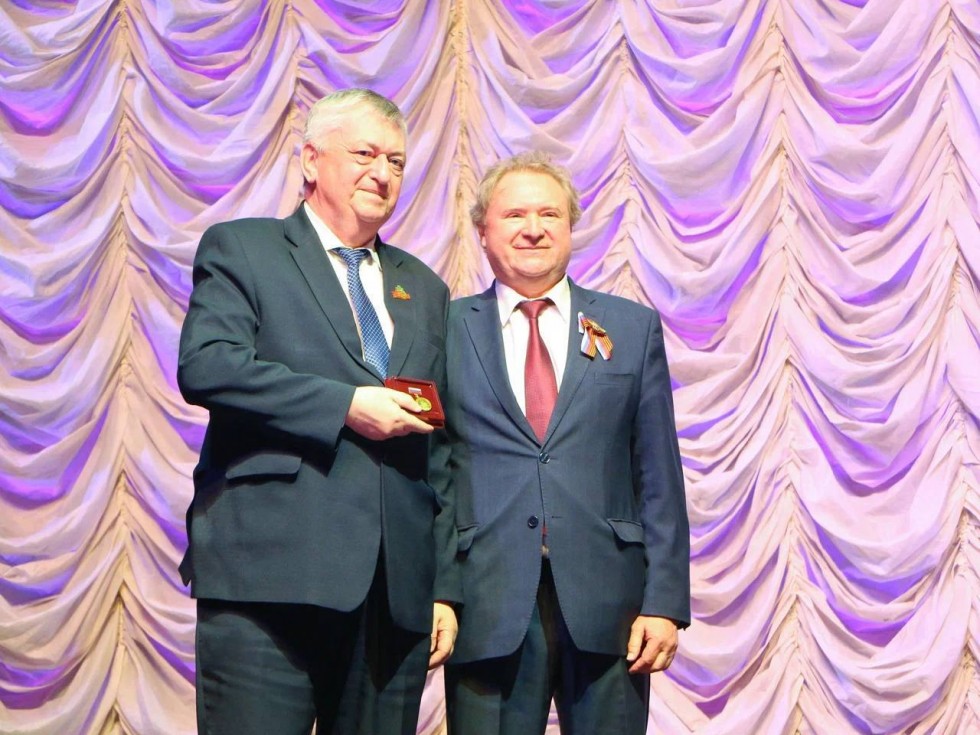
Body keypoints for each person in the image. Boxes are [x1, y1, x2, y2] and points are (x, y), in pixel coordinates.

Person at [177, 88, 459, 735]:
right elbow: (208, 365)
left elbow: (440, 449)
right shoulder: (244, 249)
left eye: (396, 161)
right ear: (311, 160)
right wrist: (345, 405)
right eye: (364, 154)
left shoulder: (424, 287)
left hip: (393, 596)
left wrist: (444, 585)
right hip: (268, 576)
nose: (382, 173)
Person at [443, 152, 690, 734]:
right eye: (515, 215)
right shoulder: (442, 329)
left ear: (571, 227)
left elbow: (658, 476)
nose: (534, 229)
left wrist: (664, 602)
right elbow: (432, 473)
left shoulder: (631, 328)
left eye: (549, 214)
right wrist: (437, 592)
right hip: (485, 601)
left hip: (612, 608)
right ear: (483, 231)